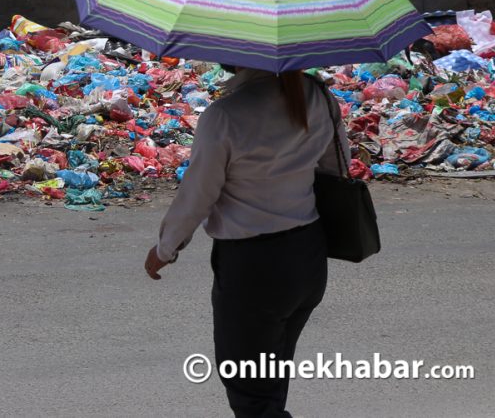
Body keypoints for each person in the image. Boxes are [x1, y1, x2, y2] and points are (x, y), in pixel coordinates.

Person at [145, 67, 350, 418]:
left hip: (253, 268)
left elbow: (198, 194)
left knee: (251, 392)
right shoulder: (316, 94)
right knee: (270, 377)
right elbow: (337, 166)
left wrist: (165, 249)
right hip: (307, 255)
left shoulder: (223, 116)